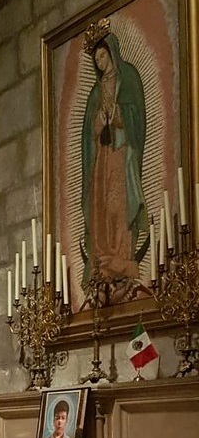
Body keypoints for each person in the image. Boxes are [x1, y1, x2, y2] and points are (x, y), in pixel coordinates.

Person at [81, 18, 147, 294]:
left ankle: (121, 255)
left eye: (102, 56)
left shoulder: (128, 78)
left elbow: (137, 117)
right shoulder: (96, 92)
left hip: (121, 152)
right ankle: (103, 258)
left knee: (118, 205)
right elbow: (88, 134)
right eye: (96, 59)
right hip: (102, 158)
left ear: (112, 53)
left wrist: (118, 115)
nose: (100, 62)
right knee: (101, 207)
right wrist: (99, 120)